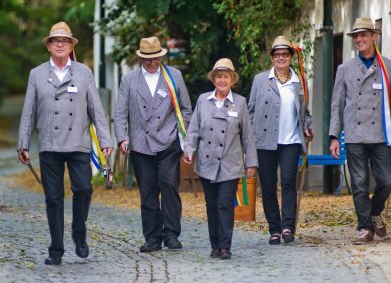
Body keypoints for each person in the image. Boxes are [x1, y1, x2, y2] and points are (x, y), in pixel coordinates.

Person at [17, 21, 113, 265]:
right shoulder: (36, 74)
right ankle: (56, 249)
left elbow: (96, 110)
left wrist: (105, 140)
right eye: (55, 41)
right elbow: (28, 112)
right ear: (48, 46)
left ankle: (79, 234)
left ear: (71, 46)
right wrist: (23, 143)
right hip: (49, 145)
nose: (60, 44)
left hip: (78, 143)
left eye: (65, 41)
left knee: (83, 188)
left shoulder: (84, 73)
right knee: (53, 197)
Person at [329, 17, 391, 244]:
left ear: (375, 36)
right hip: (354, 134)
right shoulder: (345, 69)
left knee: (386, 181)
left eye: (364, 35)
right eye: (356, 36)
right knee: (359, 183)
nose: (359, 39)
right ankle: (364, 228)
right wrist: (334, 136)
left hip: (381, 135)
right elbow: (337, 104)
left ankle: (374, 213)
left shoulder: (389, 67)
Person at [114, 37, 192, 252]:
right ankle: (152, 237)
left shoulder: (173, 76)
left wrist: (185, 138)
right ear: (141, 58)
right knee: (147, 191)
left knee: (168, 185)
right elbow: (120, 113)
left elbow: (186, 109)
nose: (151, 62)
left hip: (168, 140)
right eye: (147, 59)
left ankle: (171, 234)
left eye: (155, 58)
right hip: (140, 143)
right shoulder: (129, 80)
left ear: (160, 56)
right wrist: (122, 138)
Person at [183, 58, 257, 260]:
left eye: (226, 77)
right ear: (213, 79)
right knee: (211, 205)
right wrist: (189, 150)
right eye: (219, 77)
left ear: (232, 80)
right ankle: (215, 245)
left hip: (230, 163)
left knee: (225, 204)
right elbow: (194, 129)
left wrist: (251, 163)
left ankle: (225, 246)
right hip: (206, 163)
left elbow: (247, 136)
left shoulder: (240, 102)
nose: (222, 80)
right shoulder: (203, 100)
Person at [248, 36, 313, 245]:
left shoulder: (299, 82)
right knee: (267, 187)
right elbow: (250, 111)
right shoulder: (260, 80)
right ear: (272, 57)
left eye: (285, 54)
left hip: (291, 141)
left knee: (288, 184)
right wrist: (248, 140)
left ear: (291, 57)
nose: (281, 58)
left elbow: (305, 112)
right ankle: (274, 229)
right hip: (264, 141)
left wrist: (307, 127)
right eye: (277, 55)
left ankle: (287, 227)